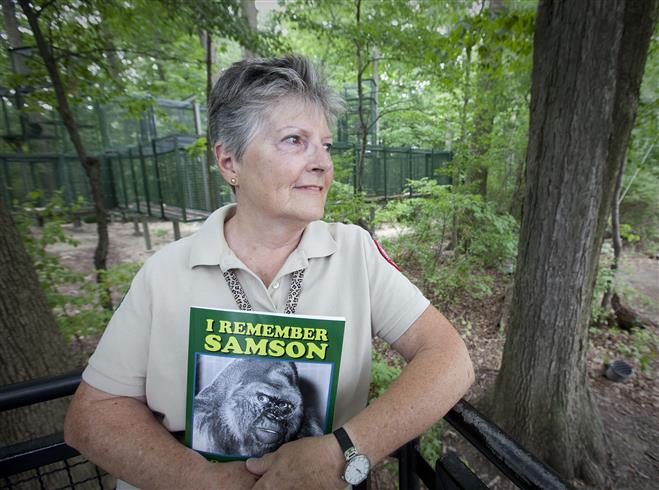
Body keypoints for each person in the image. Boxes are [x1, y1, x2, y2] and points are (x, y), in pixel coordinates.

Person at [64, 54, 474, 489]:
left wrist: (346, 449)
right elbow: (91, 416)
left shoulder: (354, 253)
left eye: (326, 144)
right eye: (295, 140)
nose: (323, 163)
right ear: (229, 163)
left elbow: (451, 360)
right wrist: (208, 482)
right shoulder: (165, 272)